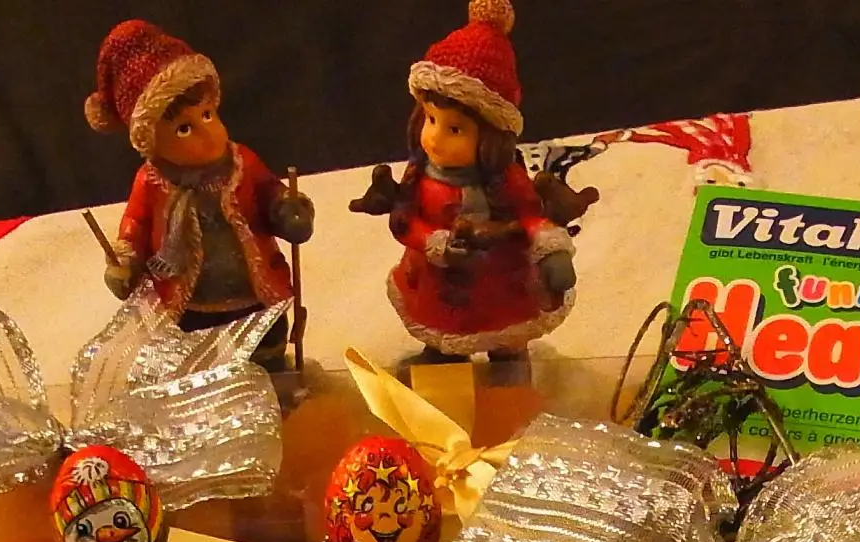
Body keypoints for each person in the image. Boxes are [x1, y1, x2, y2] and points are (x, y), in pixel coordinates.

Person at [353, 0, 579, 361]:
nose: (435, 138)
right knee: (443, 340)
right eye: (430, 120)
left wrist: (552, 250)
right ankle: (444, 363)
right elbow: (405, 222)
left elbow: (530, 216)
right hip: (439, 286)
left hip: (501, 285)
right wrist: (435, 243)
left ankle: (508, 371)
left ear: (490, 136)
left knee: (507, 339)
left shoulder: (506, 179)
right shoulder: (420, 177)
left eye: (454, 129)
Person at [85, 20, 313, 363]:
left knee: (266, 345)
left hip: (253, 291)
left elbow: (269, 192)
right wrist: (126, 261)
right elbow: (136, 223)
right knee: (198, 356)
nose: (208, 135)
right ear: (151, 140)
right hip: (189, 300)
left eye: (207, 115)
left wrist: (287, 210)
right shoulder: (151, 181)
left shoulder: (242, 163)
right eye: (183, 129)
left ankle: (272, 372)